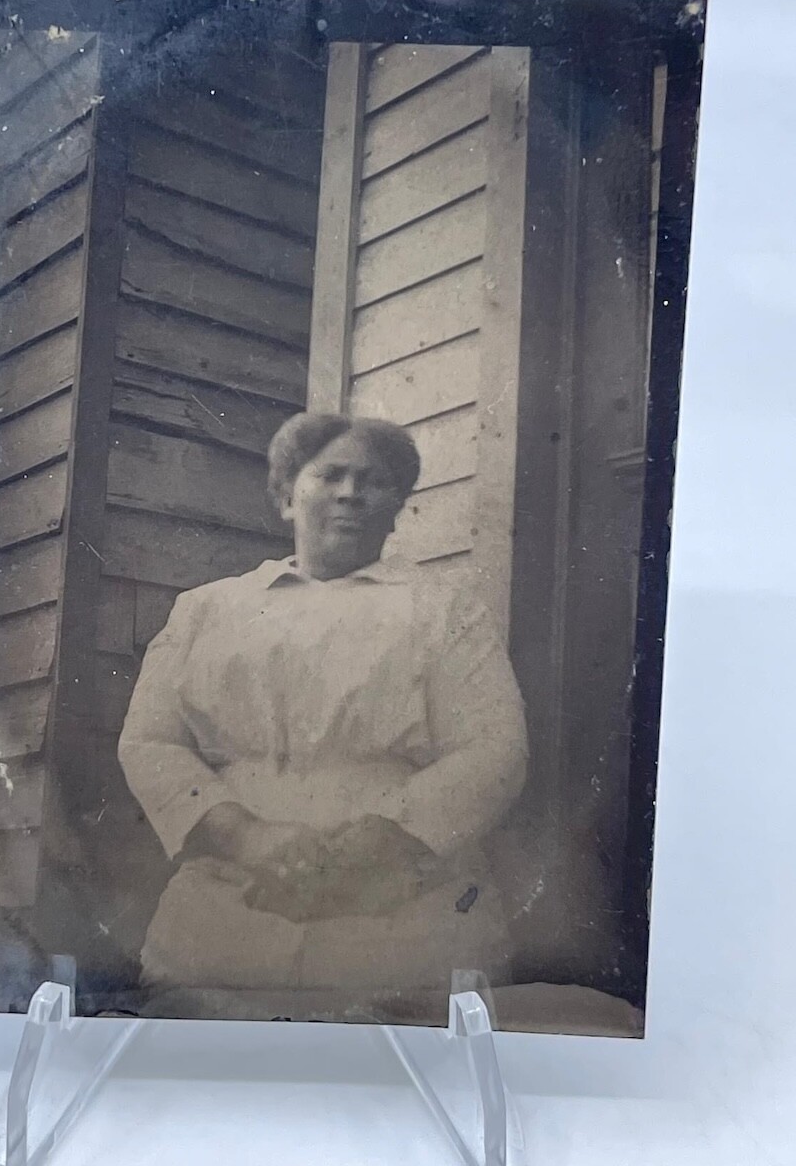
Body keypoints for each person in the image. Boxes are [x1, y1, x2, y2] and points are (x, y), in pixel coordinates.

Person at [118, 412, 527, 1023]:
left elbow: (493, 748)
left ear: (397, 507)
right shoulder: (206, 610)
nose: (350, 493)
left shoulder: (444, 610)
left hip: (405, 929)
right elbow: (151, 743)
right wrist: (247, 837)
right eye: (329, 475)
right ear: (286, 496)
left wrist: (372, 845)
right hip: (225, 926)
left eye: (374, 481)